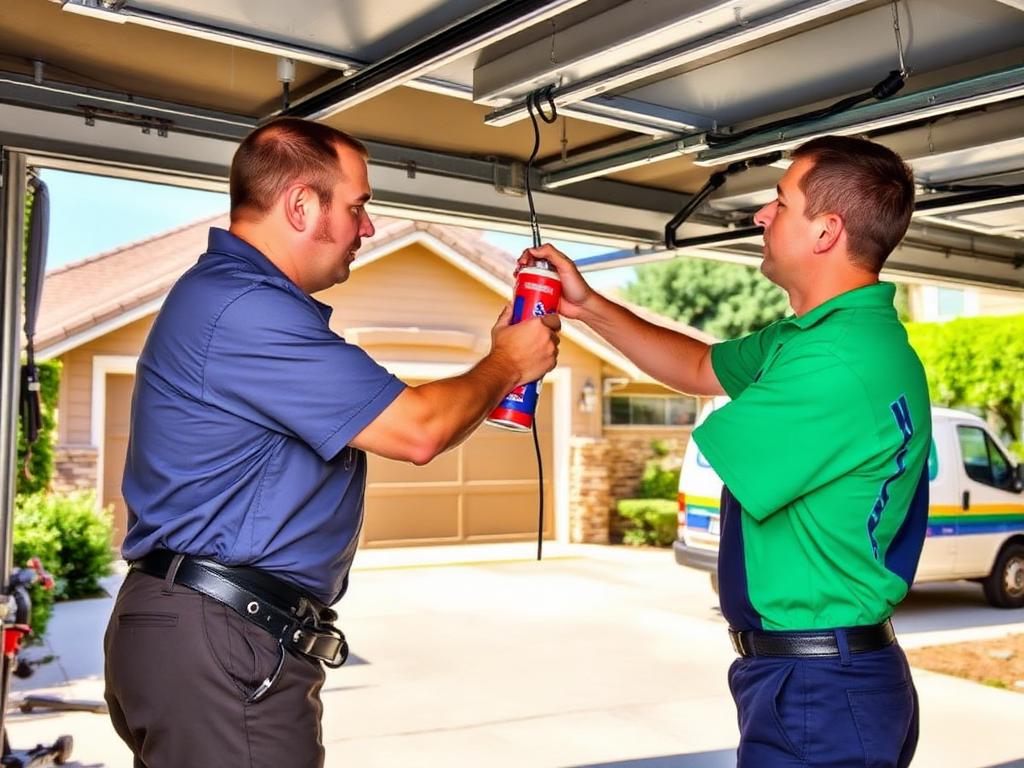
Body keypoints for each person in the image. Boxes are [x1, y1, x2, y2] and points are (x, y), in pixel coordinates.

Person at [103, 117, 560, 768]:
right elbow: (417, 429)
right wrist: (506, 367)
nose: (366, 228)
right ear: (300, 204)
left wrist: (498, 370)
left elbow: (416, 422)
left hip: (210, 629)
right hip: (220, 634)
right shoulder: (243, 308)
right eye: (358, 206)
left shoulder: (236, 303)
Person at [520, 135, 929, 767]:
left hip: (820, 688)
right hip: (830, 677)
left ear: (826, 230)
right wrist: (588, 308)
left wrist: (509, 368)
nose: (761, 216)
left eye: (780, 202)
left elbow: (713, 442)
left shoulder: (834, 361)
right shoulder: (826, 337)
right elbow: (700, 365)